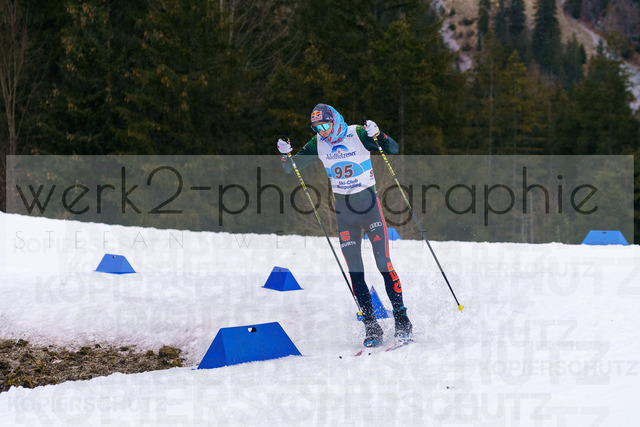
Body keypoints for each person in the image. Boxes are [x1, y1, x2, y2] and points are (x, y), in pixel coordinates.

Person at [277, 103, 412, 347]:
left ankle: (402, 320)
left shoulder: (356, 133)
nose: (323, 132)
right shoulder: (318, 143)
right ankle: (371, 327)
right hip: (344, 213)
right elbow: (290, 168)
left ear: (335, 120)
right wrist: (285, 153)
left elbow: (392, 148)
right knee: (355, 272)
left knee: (383, 262)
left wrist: (378, 134)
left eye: (325, 126)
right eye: (317, 128)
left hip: (369, 208)